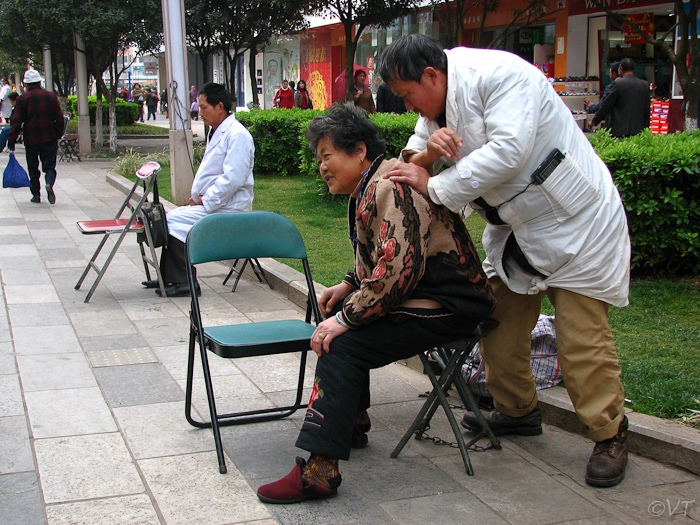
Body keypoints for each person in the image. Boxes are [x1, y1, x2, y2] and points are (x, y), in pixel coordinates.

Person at [378, 34, 631, 488]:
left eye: (407, 94)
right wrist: (430, 154)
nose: (409, 107)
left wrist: (435, 186)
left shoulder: (504, 77)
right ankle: (517, 412)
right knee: (496, 317)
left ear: (430, 76)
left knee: (581, 337)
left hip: (575, 221)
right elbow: (415, 157)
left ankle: (610, 433)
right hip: (515, 228)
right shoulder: (436, 101)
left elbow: (509, 153)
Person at [256, 103, 495, 504]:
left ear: (360, 151)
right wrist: (348, 285)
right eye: (320, 159)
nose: (322, 167)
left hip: (452, 305)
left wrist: (346, 319)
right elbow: (382, 255)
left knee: (340, 342)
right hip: (427, 294)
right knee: (335, 316)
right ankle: (350, 418)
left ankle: (319, 470)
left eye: (327, 156)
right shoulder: (374, 183)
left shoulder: (389, 187)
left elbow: (398, 271)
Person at [141, 82, 254, 297]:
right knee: (171, 218)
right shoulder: (218, 131)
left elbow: (233, 178)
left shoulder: (237, 135)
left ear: (219, 106)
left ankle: (184, 282)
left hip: (228, 208)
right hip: (216, 205)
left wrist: (206, 199)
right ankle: (169, 276)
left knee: (171, 222)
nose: (199, 112)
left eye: (203, 108)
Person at [7, 69, 63, 204]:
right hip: (49, 136)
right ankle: (49, 183)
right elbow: (59, 118)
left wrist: (11, 140)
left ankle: (36, 195)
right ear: (39, 82)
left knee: (33, 166)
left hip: (31, 138)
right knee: (49, 166)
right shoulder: (50, 96)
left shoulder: (22, 99)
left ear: (25, 84)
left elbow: (16, 121)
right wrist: (58, 133)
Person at [590, 58, 650, 137]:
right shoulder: (644, 85)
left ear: (621, 68)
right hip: (638, 131)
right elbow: (647, 110)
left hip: (619, 131)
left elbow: (605, 106)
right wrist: (645, 129)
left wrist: (594, 122)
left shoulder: (617, 84)